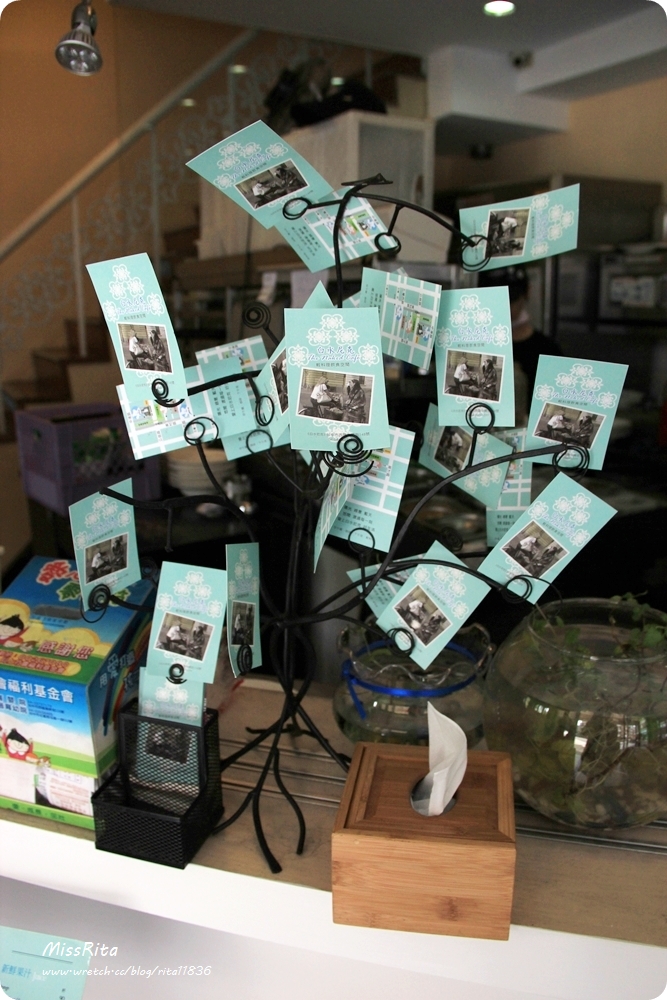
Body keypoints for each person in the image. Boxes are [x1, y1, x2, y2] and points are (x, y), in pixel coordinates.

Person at [478, 266, 561, 416]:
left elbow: (557, 414)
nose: (504, 305)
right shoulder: (474, 346)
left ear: (527, 292)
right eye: (496, 298)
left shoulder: (548, 351)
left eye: (511, 297)